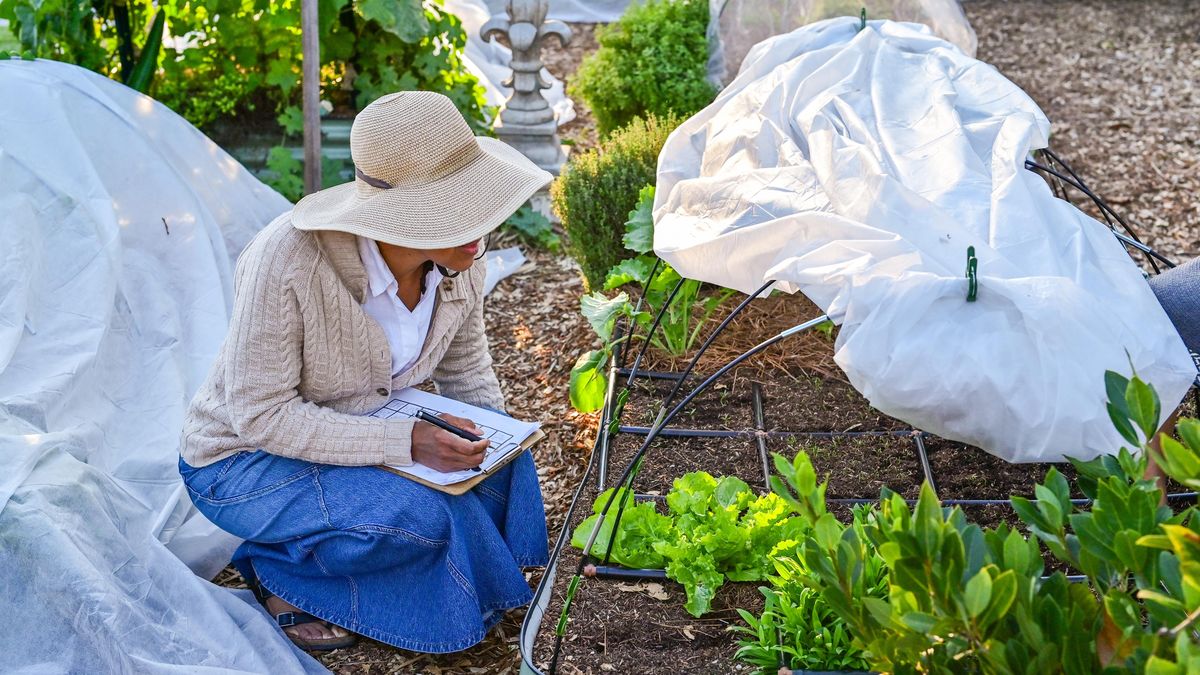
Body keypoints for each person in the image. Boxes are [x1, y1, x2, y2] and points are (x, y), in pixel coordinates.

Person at [177, 92, 552, 652]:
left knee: (506, 466)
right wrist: (404, 442)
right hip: (244, 461)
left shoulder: (460, 257)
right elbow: (260, 416)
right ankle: (277, 569)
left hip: (358, 427)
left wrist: (494, 440)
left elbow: (466, 366)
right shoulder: (287, 259)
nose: (483, 227)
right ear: (394, 217)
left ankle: (471, 580)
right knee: (420, 515)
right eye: (460, 210)